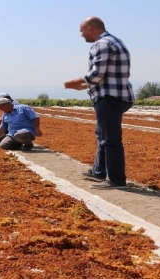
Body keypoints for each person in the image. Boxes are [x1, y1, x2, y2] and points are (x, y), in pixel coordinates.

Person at [64, 16, 134, 190]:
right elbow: (103, 74)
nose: (81, 35)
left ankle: (117, 179)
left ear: (90, 29)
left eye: (82, 31)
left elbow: (97, 73)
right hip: (118, 94)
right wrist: (82, 86)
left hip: (109, 97)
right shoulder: (115, 41)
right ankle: (99, 171)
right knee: (102, 134)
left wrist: (76, 81)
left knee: (110, 139)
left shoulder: (102, 44)